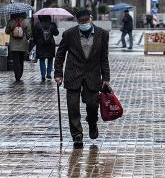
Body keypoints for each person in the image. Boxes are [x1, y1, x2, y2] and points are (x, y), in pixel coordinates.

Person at [54, 9, 111, 148]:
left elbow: (104, 57)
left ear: (91, 19)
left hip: (93, 75)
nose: (84, 23)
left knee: (92, 105)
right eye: (81, 22)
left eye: (86, 21)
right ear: (77, 21)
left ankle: (92, 123)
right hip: (73, 74)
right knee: (72, 107)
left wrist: (106, 77)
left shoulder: (102, 34)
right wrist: (58, 74)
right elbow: (60, 54)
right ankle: (77, 135)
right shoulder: (69, 35)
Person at [5, 12, 32, 82]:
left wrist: (12, 30)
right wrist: (27, 37)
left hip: (14, 45)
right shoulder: (26, 21)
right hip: (23, 44)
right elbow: (29, 32)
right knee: (21, 60)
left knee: (15, 61)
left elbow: (7, 31)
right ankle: (20, 74)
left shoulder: (11, 21)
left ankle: (17, 75)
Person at [32, 15, 59, 83]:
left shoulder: (38, 25)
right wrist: (54, 27)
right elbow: (56, 33)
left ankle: (43, 74)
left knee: (42, 59)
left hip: (40, 44)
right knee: (50, 59)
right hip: (50, 44)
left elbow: (34, 35)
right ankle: (49, 74)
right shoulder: (52, 24)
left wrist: (37, 42)